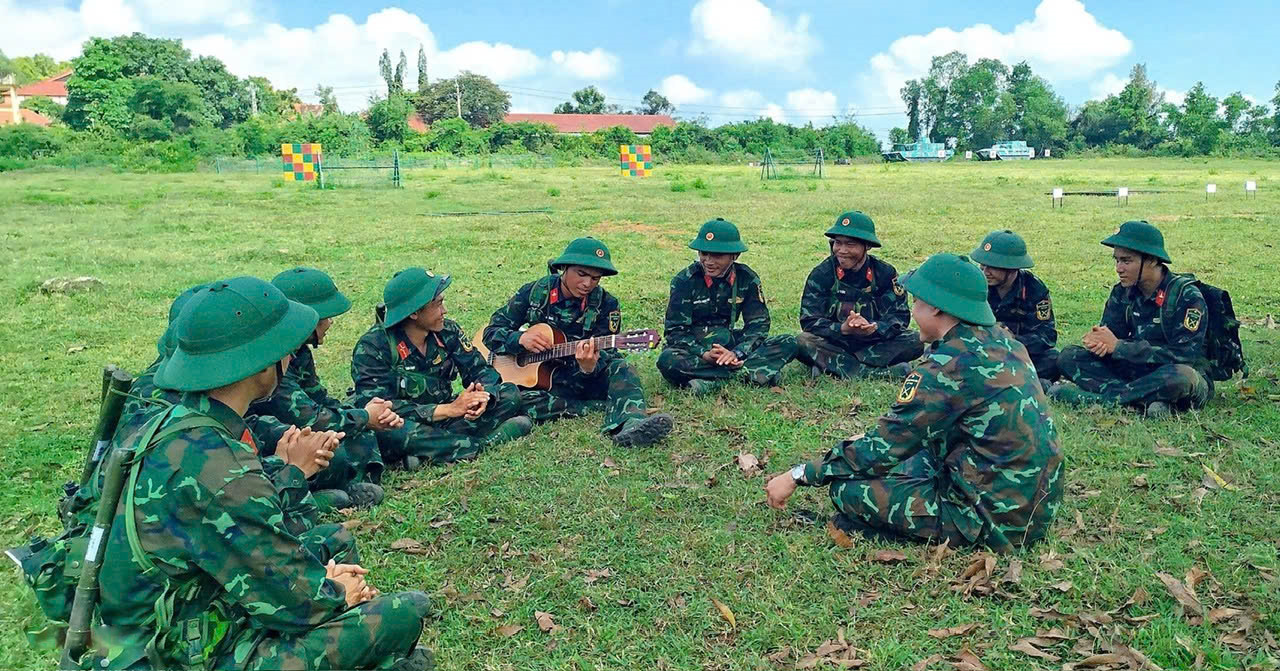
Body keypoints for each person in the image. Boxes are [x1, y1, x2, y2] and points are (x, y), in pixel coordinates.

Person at [92, 277, 432, 670]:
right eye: (284, 346)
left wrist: (320, 580)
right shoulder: (221, 467)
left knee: (332, 540)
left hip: (177, 612)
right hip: (174, 651)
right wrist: (338, 590)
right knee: (405, 612)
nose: (291, 355)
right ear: (260, 362)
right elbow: (299, 606)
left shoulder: (175, 423)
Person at [765, 254, 1064, 552]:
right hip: (1035, 506)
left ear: (935, 307)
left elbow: (880, 450)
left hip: (993, 522)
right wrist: (867, 446)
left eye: (917, 301)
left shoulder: (946, 367)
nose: (913, 308)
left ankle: (899, 533)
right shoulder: (1006, 342)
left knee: (847, 491)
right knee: (894, 461)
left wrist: (798, 475)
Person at [483, 237, 673, 447]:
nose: (587, 284)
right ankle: (593, 406)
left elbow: (608, 352)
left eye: (595, 278)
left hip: (578, 376)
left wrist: (589, 367)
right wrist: (520, 338)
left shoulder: (606, 304)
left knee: (623, 367)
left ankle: (632, 424)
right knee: (514, 398)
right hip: (540, 384)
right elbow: (491, 332)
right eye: (581, 274)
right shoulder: (535, 292)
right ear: (564, 268)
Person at [351, 267, 531, 469]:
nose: (444, 311)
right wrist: (447, 410)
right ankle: (484, 443)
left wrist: (482, 397)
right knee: (390, 433)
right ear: (414, 313)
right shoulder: (374, 347)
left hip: (447, 417)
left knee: (509, 394)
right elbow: (377, 409)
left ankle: (429, 453)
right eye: (437, 305)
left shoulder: (447, 331)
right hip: (408, 422)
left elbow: (481, 371)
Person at [251, 267, 399, 506]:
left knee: (359, 433)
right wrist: (364, 416)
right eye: (325, 317)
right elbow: (310, 418)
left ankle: (352, 481)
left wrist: (365, 416)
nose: (330, 323)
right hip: (276, 438)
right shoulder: (274, 361)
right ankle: (311, 497)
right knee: (333, 453)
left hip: (295, 432)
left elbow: (320, 399)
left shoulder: (299, 353)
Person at [1052, 220, 1212, 418]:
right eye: (1117, 260)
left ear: (1152, 260)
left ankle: (1102, 399)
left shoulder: (1185, 296)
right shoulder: (1122, 292)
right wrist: (1099, 343)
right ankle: (1144, 401)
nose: (1119, 268)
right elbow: (1110, 338)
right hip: (1135, 371)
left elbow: (1185, 356)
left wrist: (1119, 347)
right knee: (1068, 356)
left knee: (1182, 377)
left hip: (1172, 373)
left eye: (1126, 261)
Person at [657, 218, 798, 394]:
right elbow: (675, 331)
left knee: (789, 342)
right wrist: (704, 354)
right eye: (703, 253)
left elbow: (758, 325)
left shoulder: (747, 279)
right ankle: (755, 373)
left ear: (735, 256)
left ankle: (712, 381)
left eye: (717, 255)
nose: (708, 261)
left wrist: (738, 353)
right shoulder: (684, 281)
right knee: (667, 360)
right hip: (695, 348)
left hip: (729, 343)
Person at [795, 211, 923, 379]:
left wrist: (873, 328)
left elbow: (898, 318)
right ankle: (876, 372)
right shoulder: (822, 274)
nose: (842, 250)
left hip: (873, 342)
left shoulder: (885, 273)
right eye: (838, 243)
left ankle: (832, 365)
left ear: (867, 246)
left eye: (850, 244)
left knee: (916, 340)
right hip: (835, 341)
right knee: (801, 341)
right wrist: (842, 329)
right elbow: (809, 321)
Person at [970, 230, 1061, 383]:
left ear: (1012, 268)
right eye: (982, 266)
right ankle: (1019, 379)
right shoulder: (976, 286)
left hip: (1018, 353)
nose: (985, 272)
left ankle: (997, 378)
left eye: (992, 267)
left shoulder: (1034, 289)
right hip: (982, 350)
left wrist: (1013, 340)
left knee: (1054, 360)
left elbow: (1047, 335)